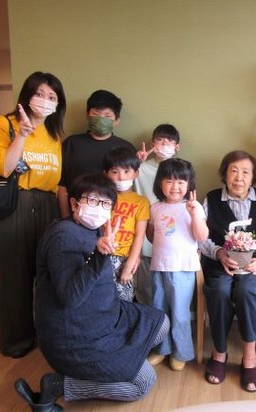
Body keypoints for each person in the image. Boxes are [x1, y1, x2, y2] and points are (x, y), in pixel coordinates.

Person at [15, 173, 169, 409]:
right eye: (93, 200)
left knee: (162, 324)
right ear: (74, 203)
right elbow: (70, 297)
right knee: (143, 383)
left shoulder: (94, 229)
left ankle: (121, 363)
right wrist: (100, 256)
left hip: (106, 317)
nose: (99, 208)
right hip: (77, 336)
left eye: (106, 203)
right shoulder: (62, 237)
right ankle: (60, 385)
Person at [0, 71, 66, 358]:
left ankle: (45, 335)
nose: (45, 100)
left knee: (46, 273)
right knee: (12, 274)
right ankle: (15, 341)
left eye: (52, 97)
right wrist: (21, 134)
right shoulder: (5, 123)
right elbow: (4, 168)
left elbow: (57, 180)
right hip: (14, 202)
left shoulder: (55, 134)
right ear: (27, 95)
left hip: (47, 204)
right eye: (39, 94)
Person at [199, 150, 256, 393]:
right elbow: (201, 237)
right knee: (219, 289)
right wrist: (218, 253)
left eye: (246, 172)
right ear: (224, 174)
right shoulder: (211, 199)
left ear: (253, 177)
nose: (239, 177)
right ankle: (219, 352)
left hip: (255, 267)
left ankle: (249, 357)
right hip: (221, 265)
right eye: (234, 171)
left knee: (246, 289)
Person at [146, 158, 209, 371]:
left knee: (180, 312)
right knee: (159, 309)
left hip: (182, 268)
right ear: (160, 183)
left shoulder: (193, 207)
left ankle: (181, 352)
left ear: (189, 185)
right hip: (158, 266)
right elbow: (152, 235)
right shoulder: (155, 208)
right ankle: (161, 349)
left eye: (181, 182)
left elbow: (202, 236)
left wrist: (193, 214)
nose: (175, 186)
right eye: (169, 181)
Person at [58, 89, 137, 218]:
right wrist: (66, 217)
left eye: (107, 116)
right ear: (87, 115)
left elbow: (131, 188)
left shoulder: (126, 148)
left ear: (117, 120)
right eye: (96, 114)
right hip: (76, 215)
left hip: (114, 219)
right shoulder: (71, 143)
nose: (101, 119)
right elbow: (61, 185)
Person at [133, 123, 181, 305]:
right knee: (146, 287)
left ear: (177, 147)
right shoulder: (141, 168)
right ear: (152, 144)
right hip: (146, 232)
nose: (164, 144)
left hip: (172, 235)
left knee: (171, 289)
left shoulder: (181, 171)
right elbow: (121, 183)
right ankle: (149, 318)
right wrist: (136, 163)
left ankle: (168, 319)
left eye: (169, 141)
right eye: (160, 140)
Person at [103, 147, 150, 302]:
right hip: (101, 254)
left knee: (123, 301)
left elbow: (140, 236)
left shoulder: (141, 202)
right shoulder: (101, 197)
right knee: (101, 298)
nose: (121, 177)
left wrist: (129, 266)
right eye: (114, 172)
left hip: (125, 258)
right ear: (106, 174)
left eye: (126, 171)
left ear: (136, 173)